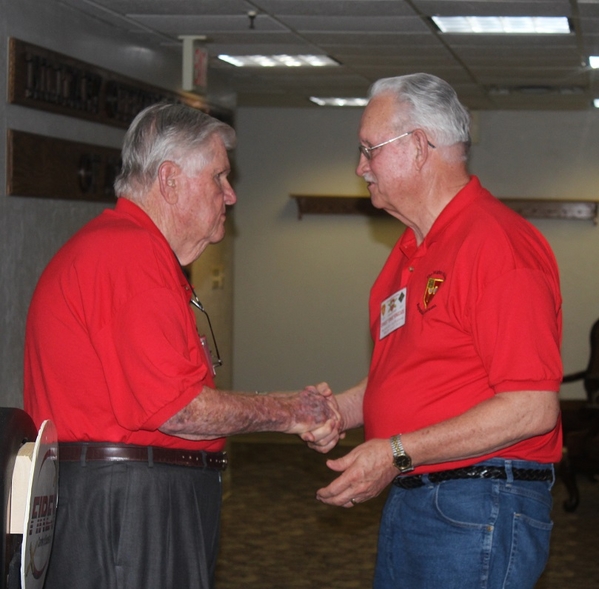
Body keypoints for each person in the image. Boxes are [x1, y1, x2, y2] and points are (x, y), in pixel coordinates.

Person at [23, 102, 339, 589]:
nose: (230, 196)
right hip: (130, 507)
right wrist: (289, 411)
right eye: (218, 178)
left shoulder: (126, 250)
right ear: (169, 180)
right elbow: (180, 411)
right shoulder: (128, 254)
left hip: (129, 500)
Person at [312, 74, 563, 589]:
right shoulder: (411, 250)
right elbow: (411, 374)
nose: (360, 167)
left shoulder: (497, 246)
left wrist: (396, 451)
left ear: (420, 147)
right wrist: (341, 409)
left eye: (369, 150)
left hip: (478, 501)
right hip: (422, 493)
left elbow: (531, 407)